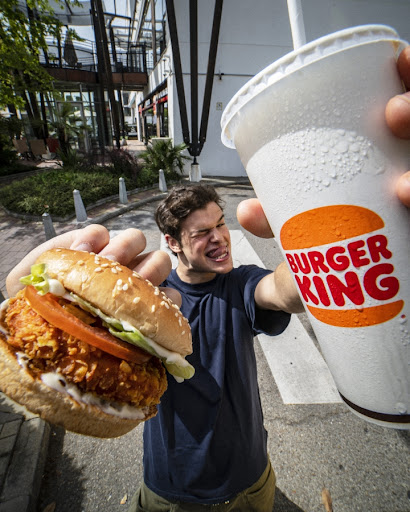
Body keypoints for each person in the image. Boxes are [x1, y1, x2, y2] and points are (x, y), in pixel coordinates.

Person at [5, 46, 410, 512]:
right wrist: (36, 303)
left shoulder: (239, 285)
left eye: (221, 224)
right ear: (172, 243)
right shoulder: (143, 299)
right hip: (168, 489)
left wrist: (339, 234)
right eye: (202, 233)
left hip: (250, 481)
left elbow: (285, 290)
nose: (220, 238)